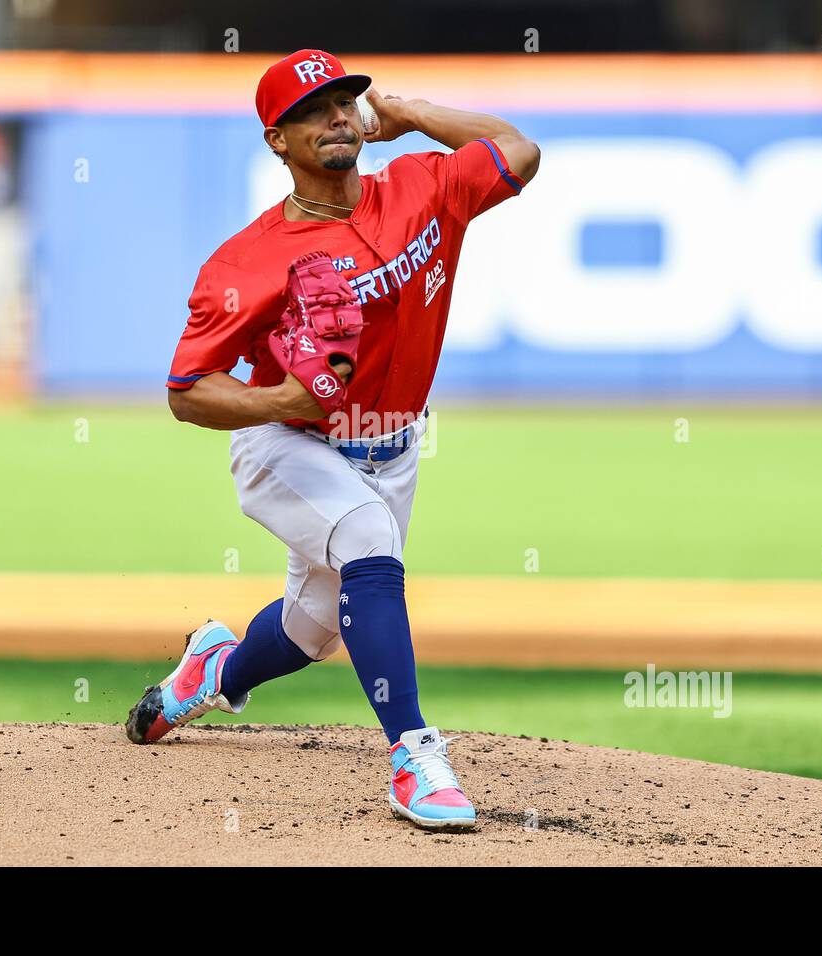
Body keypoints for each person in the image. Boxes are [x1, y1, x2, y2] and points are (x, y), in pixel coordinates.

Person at [126, 48, 539, 830]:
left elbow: (520, 152)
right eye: (312, 111)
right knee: (369, 543)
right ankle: (415, 758)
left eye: (345, 102)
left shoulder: (422, 189)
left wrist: (410, 111)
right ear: (276, 141)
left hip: (393, 445)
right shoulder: (246, 263)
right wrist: (278, 395)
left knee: (313, 631)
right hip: (287, 443)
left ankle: (212, 668)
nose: (336, 117)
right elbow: (187, 393)